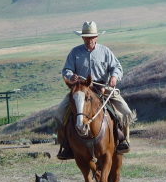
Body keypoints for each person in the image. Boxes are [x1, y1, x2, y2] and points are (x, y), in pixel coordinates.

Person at [54, 21, 135, 160]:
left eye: (92, 37)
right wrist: (70, 76)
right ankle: (65, 145)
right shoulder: (75, 52)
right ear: (82, 37)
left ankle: (123, 141)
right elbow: (66, 69)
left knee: (125, 112)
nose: (89, 39)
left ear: (96, 37)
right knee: (59, 114)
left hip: (103, 89)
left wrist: (114, 77)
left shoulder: (105, 51)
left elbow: (116, 67)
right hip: (81, 91)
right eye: (86, 37)